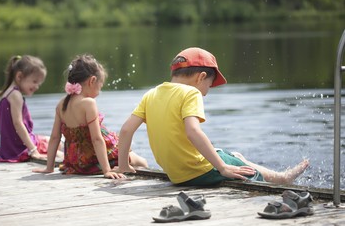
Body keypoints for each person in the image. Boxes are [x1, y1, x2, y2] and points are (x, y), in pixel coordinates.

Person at [117, 47, 310, 186]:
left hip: (176, 175)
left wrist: (124, 165)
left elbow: (126, 130)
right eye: (209, 86)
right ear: (201, 77)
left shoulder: (151, 94)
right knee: (243, 170)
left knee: (231, 155)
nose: (206, 93)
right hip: (198, 173)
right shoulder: (190, 93)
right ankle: (282, 180)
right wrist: (223, 168)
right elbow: (193, 132)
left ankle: (245, 162)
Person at [32, 54, 148, 179]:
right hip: (91, 162)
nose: (100, 91)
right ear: (92, 81)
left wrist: (49, 167)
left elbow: (55, 137)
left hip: (75, 164)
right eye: (100, 85)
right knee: (142, 162)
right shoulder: (88, 103)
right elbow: (97, 139)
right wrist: (106, 171)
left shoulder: (61, 104)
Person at [0, 55, 51, 162]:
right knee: (54, 146)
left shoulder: (8, 93)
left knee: (50, 141)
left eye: (39, 83)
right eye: (34, 81)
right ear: (19, 76)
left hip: (10, 147)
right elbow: (18, 124)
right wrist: (33, 150)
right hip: (17, 149)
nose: (37, 86)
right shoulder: (15, 95)